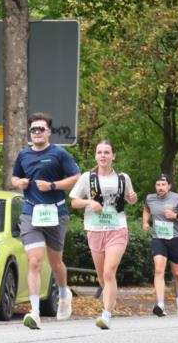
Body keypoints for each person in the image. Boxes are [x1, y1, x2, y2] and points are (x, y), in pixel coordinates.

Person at [11, 113, 81, 330]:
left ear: (49, 132)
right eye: (34, 129)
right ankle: (35, 312)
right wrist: (19, 183)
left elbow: (76, 178)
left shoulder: (59, 154)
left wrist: (52, 186)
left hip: (55, 213)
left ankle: (63, 291)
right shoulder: (23, 155)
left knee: (55, 262)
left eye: (41, 129)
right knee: (34, 261)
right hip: (30, 212)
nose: (37, 133)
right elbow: (14, 177)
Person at [69, 140, 137, 329]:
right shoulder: (87, 178)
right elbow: (74, 201)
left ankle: (107, 314)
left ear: (113, 155)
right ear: (96, 156)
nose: (103, 156)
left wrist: (133, 198)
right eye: (100, 152)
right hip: (95, 229)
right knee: (102, 277)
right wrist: (89, 203)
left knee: (109, 271)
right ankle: (108, 305)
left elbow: (131, 198)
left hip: (117, 228)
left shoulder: (123, 178)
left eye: (107, 152)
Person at [142, 173, 178, 317]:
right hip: (158, 238)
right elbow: (146, 210)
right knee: (159, 269)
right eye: (158, 185)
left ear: (169, 186)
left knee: (177, 273)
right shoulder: (150, 198)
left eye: (163, 185)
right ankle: (160, 304)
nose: (160, 187)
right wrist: (145, 222)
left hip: (176, 238)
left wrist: (176, 216)